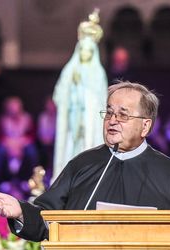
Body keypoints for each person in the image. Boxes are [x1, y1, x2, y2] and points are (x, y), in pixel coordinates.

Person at [0, 81, 170, 242]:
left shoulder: (168, 172)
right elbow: (47, 219)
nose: (112, 120)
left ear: (145, 126)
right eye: (108, 113)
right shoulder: (83, 164)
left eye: (123, 115)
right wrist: (20, 212)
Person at [52, 9, 108, 180]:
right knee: (71, 145)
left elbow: (101, 99)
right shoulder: (70, 70)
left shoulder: (98, 73)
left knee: (87, 145)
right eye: (82, 49)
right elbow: (59, 95)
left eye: (88, 51)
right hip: (73, 116)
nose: (85, 53)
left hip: (89, 118)